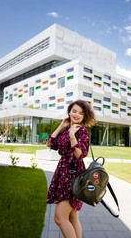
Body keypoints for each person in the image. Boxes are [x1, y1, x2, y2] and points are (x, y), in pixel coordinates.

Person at [46, 100, 96, 238]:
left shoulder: (82, 131)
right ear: (69, 112)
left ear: (84, 116)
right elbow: (50, 144)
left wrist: (72, 136)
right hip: (63, 172)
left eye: (81, 113)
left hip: (72, 174)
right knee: (73, 217)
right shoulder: (66, 128)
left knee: (59, 218)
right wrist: (61, 126)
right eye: (74, 111)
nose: (77, 115)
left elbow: (80, 155)